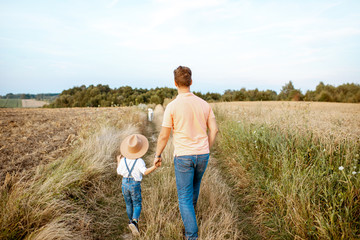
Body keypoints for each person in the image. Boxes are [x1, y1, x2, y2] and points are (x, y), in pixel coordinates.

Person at [154, 66, 219, 240]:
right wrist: (207, 148)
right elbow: (214, 130)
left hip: (183, 156)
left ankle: (192, 235)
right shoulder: (204, 104)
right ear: (191, 82)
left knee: (184, 197)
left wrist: (157, 155)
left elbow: (163, 136)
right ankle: (191, 221)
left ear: (175, 83)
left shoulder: (172, 106)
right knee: (194, 189)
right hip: (202, 155)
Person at [116, 134, 160, 237]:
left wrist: (118, 161)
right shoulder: (139, 161)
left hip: (124, 183)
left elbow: (119, 172)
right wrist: (155, 167)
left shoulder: (123, 160)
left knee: (128, 203)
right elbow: (145, 172)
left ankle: (130, 221)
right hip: (134, 184)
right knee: (137, 204)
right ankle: (134, 222)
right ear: (140, 150)